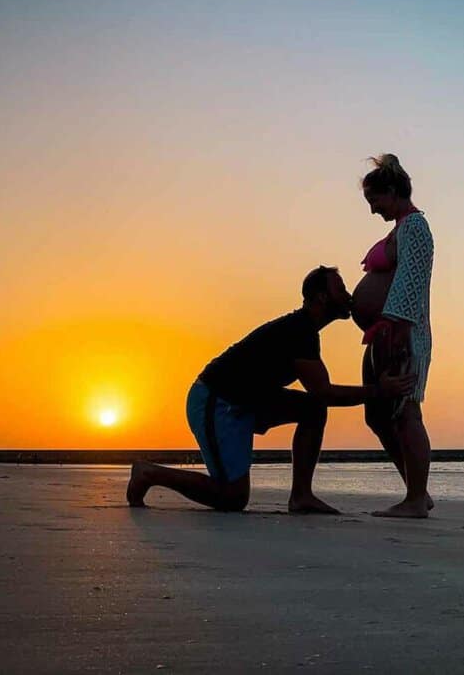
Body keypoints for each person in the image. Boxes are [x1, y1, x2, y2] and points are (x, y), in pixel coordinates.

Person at [126, 266, 416, 514]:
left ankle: (301, 495)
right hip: (216, 400)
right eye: (340, 288)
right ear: (321, 297)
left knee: (311, 409)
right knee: (232, 498)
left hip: (250, 401)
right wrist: (379, 391)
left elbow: (318, 397)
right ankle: (149, 472)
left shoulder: (306, 332)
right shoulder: (299, 330)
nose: (348, 295)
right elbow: (324, 391)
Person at [351, 154, 435, 518]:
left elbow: (410, 283)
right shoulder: (400, 227)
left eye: (375, 201)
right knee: (377, 416)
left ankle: (416, 498)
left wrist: (394, 330)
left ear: (393, 191)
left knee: (405, 414)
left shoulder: (415, 226)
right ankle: (417, 490)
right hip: (382, 333)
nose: (373, 211)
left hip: (400, 333)